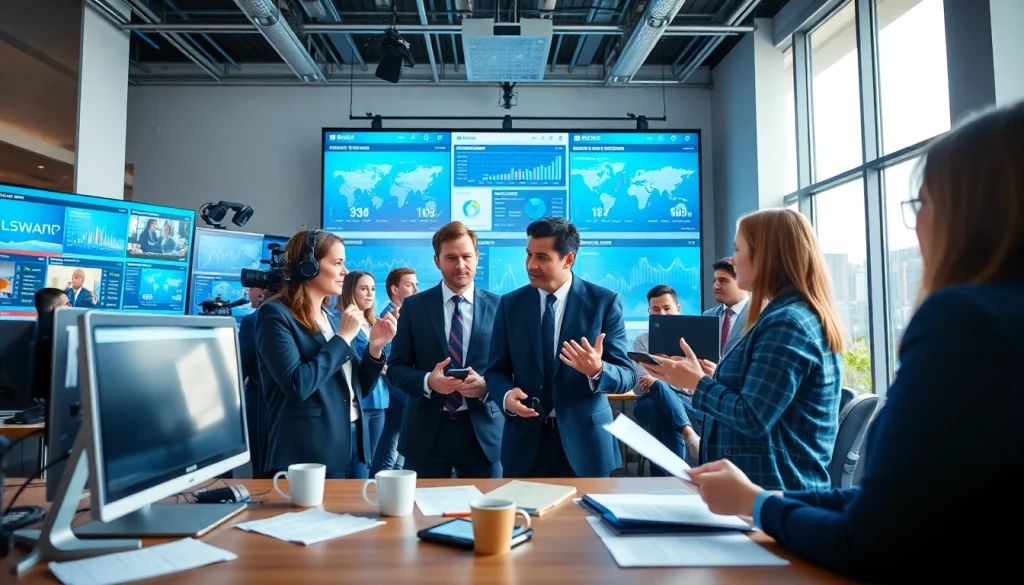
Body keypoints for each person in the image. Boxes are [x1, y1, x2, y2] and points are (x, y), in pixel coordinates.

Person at [684, 101, 1024, 581]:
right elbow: (891, 502)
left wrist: (757, 502)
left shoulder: (965, 323)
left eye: (922, 204)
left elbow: (876, 532)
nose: (732, 264)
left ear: (966, 213)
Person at [645, 208, 844, 491]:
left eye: (738, 249)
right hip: (760, 491)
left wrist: (697, 383)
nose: (733, 260)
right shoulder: (783, 317)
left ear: (766, 256)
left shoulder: (787, 324)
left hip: (774, 495)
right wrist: (711, 377)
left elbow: (752, 416)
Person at [487, 217, 637, 478]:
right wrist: (506, 397)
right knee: (526, 519)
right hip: (525, 445)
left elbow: (627, 375)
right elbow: (495, 371)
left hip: (587, 446)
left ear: (568, 260)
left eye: (542, 257)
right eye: (529, 255)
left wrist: (598, 370)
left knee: (587, 520)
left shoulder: (604, 302)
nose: (531, 265)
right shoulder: (510, 305)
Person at [255, 230, 397, 479]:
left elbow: (358, 388)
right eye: (338, 263)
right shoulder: (275, 315)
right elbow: (298, 383)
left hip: (354, 439)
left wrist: (375, 348)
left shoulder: (333, 317)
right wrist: (342, 339)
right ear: (308, 267)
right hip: (311, 450)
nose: (345, 272)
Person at [388, 223, 503, 479]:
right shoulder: (414, 307)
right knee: (419, 515)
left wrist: (486, 387)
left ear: (477, 257)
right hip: (426, 432)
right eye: (451, 258)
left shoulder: (501, 307)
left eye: (466, 256)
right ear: (437, 260)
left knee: (486, 514)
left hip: (483, 434)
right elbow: (395, 369)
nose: (460, 265)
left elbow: (512, 370)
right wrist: (429, 381)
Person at [630, 285, 701, 469]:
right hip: (646, 402)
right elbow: (641, 386)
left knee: (660, 410)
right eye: (656, 309)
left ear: (678, 309)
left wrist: (659, 378)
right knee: (657, 393)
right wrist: (670, 380)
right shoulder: (641, 341)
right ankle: (688, 434)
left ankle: (667, 481)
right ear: (649, 312)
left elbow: (695, 387)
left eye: (667, 308)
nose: (661, 314)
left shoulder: (694, 342)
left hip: (686, 404)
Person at [336, 270, 391, 478]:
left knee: (368, 463)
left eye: (373, 289)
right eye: (364, 288)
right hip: (359, 403)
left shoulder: (374, 322)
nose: (370, 294)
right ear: (350, 290)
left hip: (379, 401)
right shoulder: (342, 322)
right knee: (354, 466)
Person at [370, 267, 419, 475]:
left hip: (403, 395)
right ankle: (375, 498)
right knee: (388, 457)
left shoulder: (406, 316)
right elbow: (388, 362)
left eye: (416, 284)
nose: (416, 290)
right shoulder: (388, 319)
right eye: (410, 285)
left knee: (400, 460)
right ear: (394, 289)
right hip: (396, 397)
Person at [239, 287, 267, 477]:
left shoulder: (253, 321)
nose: (247, 293)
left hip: (261, 406)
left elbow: (240, 365)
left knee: (263, 470)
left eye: (250, 289)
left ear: (263, 291)